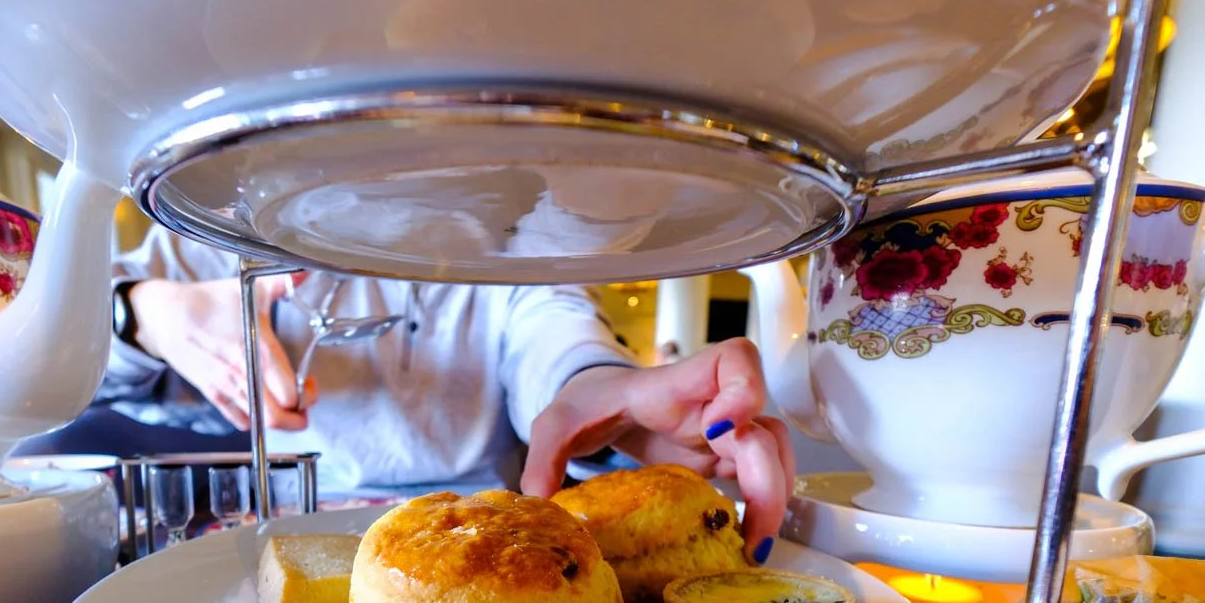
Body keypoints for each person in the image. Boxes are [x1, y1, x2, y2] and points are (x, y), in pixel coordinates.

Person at [94, 227, 797, 556]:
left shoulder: (523, 244)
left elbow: (558, 345)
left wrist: (614, 396)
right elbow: (65, 375)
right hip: (274, 542)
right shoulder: (226, 225)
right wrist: (148, 313)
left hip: (485, 543)